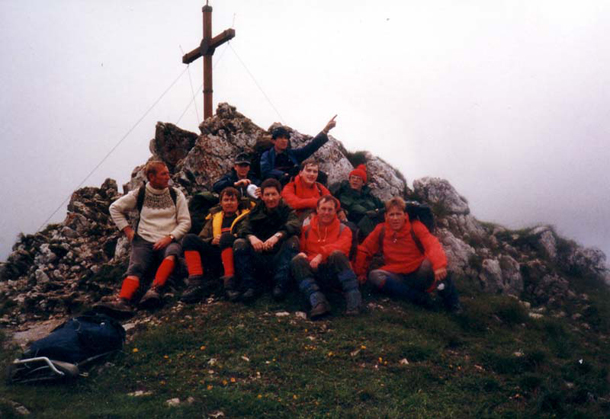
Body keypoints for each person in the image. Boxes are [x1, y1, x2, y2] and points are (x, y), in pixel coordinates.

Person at [97, 161, 191, 316]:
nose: (169, 177)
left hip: (169, 239)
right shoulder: (139, 193)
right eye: (164, 174)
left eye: (168, 173)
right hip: (143, 239)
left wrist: (170, 237)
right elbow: (114, 208)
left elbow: (185, 222)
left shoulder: (176, 194)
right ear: (151, 177)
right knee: (136, 266)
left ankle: (154, 290)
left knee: (172, 254)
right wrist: (128, 231)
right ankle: (123, 301)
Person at [354, 197, 461, 312]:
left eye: (398, 214)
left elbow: (432, 244)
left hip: (419, 273)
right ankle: (420, 298)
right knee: (375, 276)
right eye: (391, 215)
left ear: (405, 215)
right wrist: (360, 273)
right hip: (397, 276)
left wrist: (439, 265)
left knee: (432, 262)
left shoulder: (415, 226)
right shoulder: (381, 229)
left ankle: (453, 303)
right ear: (386, 217)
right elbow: (365, 249)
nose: (395, 218)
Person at [291, 196, 362, 319]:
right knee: (297, 260)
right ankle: (318, 302)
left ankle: (354, 303)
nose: (326, 213)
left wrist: (320, 255)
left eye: (330, 209)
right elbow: (303, 249)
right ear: (317, 210)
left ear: (335, 211)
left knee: (337, 254)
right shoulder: (307, 229)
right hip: (315, 272)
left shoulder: (344, 229)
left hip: (335, 273)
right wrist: (302, 254)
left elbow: (342, 246)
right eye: (323, 209)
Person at [233, 179, 301, 302]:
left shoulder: (287, 210)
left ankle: (280, 284)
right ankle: (250, 286)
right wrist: (252, 238)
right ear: (262, 197)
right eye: (267, 195)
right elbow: (243, 226)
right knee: (239, 243)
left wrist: (277, 236)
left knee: (293, 240)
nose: (270, 198)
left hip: (279, 257)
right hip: (259, 256)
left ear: (280, 195)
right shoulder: (256, 210)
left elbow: (295, 224)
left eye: (273, 194)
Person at [180, 187, 252, 303]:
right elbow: (202, 238)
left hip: (234, 256)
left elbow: (247, 234)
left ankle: (230, 284)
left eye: (232, 200)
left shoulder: (245, 217)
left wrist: (231, 237)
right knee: (189, 239)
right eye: (226, 200)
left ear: (238, 203)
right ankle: (195, 284)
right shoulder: (214, 218)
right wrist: (211, 240)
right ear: (221, 202)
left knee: (226, 237)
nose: (229, 203)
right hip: (215, 254)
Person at [260, 116, 337, 183]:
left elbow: (310, 147)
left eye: (286, 138)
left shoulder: (292, 154)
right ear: (273, 141)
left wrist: (326, 129)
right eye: (280, 137)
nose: (284, 140)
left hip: (298, 184)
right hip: (280, 186)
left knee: (321, 176)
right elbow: (266, 171)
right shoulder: (267, 155)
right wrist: (284, 175)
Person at [333, 164, 384, 241]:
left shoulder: (368, 196)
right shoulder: (345, 194)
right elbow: (354, 207)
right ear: (349, 180)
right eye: (352, 178)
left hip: (373, 220)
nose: (355, 180)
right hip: (358, 223)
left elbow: (382, 204)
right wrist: (372, 212)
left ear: (363, 183)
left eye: (359, 179)